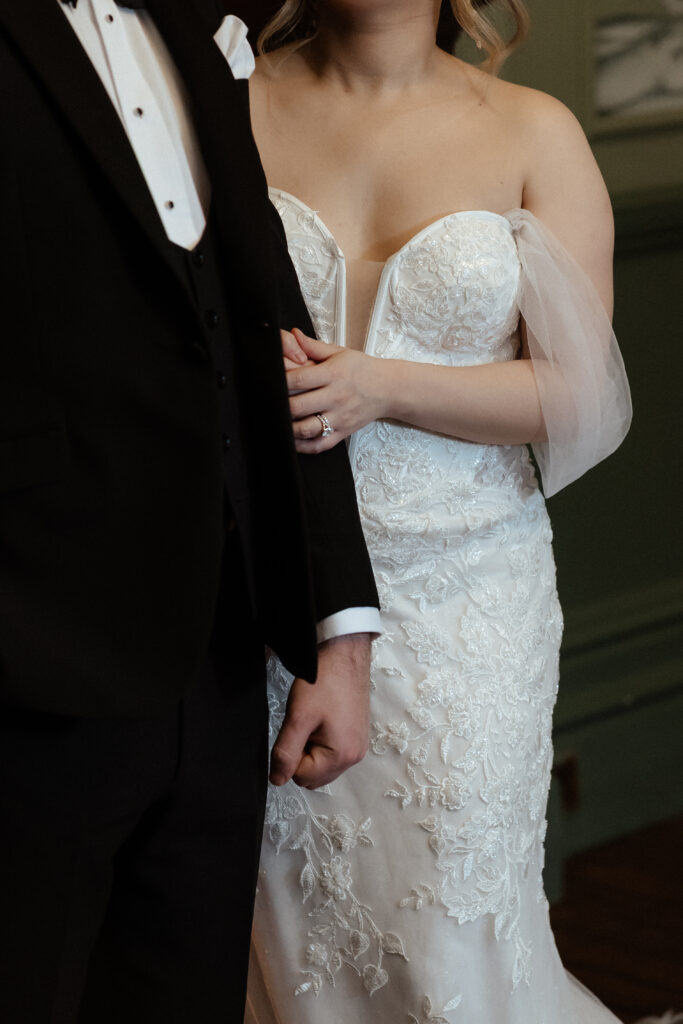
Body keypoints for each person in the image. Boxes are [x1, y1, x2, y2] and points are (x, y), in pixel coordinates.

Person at [245, 1, 638, 1022]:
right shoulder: (231, 102)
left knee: (450, 927)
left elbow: (576, 391)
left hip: (470, 596)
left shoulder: (529, 130)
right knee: (280, 928)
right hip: (272, 587)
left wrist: (381, 386)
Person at [0, 2, 380, 1022]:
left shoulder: (202, 18)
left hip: (219, 667)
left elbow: (271, 324)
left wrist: (339, 629)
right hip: (28, 675)